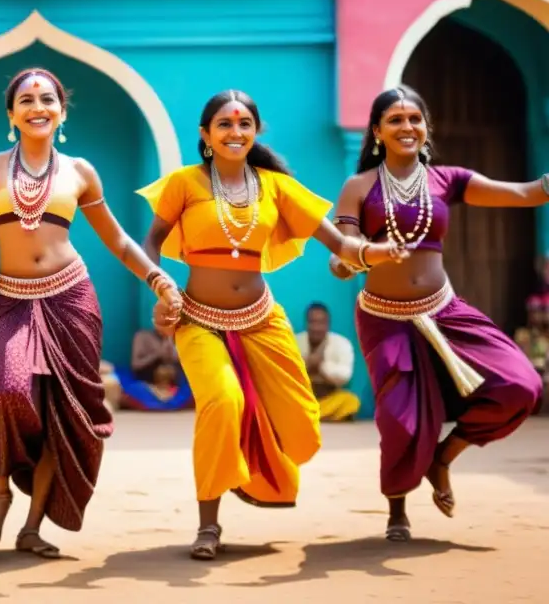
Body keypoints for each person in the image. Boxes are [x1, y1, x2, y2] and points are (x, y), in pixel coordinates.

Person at [139, 89, 408, 560]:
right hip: (197, 318)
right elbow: (151, 243)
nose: (235, 132)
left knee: (303, 428)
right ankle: (208, 524)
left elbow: (339, 245)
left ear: (255, 131)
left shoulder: (275, 187)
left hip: (261, 319)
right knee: (222, 401)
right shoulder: (184, 183)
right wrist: (161, 288)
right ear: (205, 136)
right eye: (224, 124)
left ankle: (252, 468)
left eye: (244, 124)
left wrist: (374, 252)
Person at [0, 67, 182, 559]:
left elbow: (118, 239)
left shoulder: (80, 171)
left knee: (64, 415)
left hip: (71, 299)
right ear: (11, 114)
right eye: (27, 100)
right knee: (4, 395)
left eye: (48, 99)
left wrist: (158, 279)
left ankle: (32, 527)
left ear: (62, 111)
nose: (38, 107)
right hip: (12, 298)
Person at [329, 84, 545, 542]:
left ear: (426, 128)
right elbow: (339, 256)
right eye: (395, 120)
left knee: (520, 386)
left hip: (444, 310)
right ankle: (397, 511)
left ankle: (443, 458)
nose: (407, 127)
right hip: (383, 316)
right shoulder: (359, 186)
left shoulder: (449, 180)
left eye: (415, 119)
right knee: (400, 420)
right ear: (376, 132)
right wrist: (366, 256)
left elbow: (526, 194)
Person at [295, 302, 360, 422]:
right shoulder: (295, 342)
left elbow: (345, 376)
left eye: (320, 323)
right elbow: (285, 374)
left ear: (327, 324)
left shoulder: (341, 343)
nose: (316, 327)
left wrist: (322, 366)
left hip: (328, 398)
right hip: (302, 399)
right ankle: (318, 416)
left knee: (351, 401)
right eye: (312, 322)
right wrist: (307, 364)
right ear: (307, 323)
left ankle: (310, 417)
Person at [115, 328, 195, 412]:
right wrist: (157, 354)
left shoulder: (176, 338)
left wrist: (171, 350)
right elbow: (136, 364)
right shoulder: (143, 337)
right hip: (148, 372)